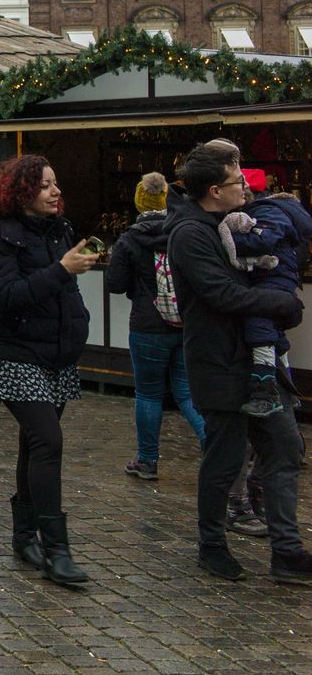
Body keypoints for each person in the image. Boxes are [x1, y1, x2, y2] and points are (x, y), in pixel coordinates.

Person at [167, 142, 312, 584]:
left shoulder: (227, 224)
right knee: (225, 459)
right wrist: (281, 302)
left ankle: (287, 552)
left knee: (285, 448)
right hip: (219, 364)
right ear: (215, 190)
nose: (245, 188)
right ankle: (211, 545)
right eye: (237, 182)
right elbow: (222, 295)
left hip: (255, 362)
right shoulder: (190, 233)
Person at [0, 154, 95, 587]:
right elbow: (7, 294)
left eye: (56, 183)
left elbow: (61, 291)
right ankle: (56, 550)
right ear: (21, 191)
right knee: (48, 440)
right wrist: (61, 271)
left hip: (55, 354)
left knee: (33, 443)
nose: (56, 191)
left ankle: (24, 536)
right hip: (13, 352)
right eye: (45, 185)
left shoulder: (59, 230)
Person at [106, 172, 205, 482]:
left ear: (139, 200)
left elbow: (115, 284)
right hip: (185, 324)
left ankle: (147, 460)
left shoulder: (130, 238)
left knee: (148, 395)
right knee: (187, 393)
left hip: (147, 326)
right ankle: (213, 442)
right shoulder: (184, 230)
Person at [216, 167, 312, 418]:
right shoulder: (268, 211)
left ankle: (265, 389)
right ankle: (286, 389)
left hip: (273, 277)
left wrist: (226, 243)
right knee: (274, 333)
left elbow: (263, 240)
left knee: (259, 325)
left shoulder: (268, 212)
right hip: (276, 277)